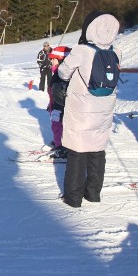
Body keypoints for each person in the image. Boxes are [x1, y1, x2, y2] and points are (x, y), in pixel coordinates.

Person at [56, 12, 121, 208]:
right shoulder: (116, 52)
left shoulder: (82, 50)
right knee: (97, 150)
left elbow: (63, 71)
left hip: (81, 108)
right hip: (104, 108)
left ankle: (73, 198)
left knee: (78, 151)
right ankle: (93, 193)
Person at [47, 46, 72, 159]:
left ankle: (62, 147)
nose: (51, 61)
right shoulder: (57, 73)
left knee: (58, 125)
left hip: (60, 106)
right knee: (56, 125)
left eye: (54, 59)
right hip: (55, 104)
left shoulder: (62, 75)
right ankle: (59, 142)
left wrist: (58, 106)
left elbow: (63, 92)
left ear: (62, 60)